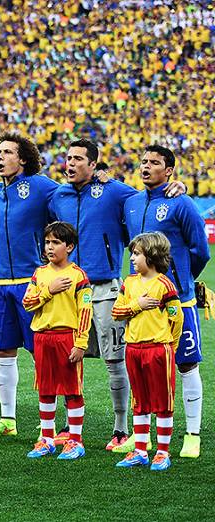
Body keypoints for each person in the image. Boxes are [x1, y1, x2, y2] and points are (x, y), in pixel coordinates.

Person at [48, 139, 186, 449]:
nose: (70, 164)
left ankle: (121, 429)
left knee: (115, 359)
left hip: (103, 288)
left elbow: (148, 196)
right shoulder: (58, 195)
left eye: (78, 159)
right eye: (68, 158)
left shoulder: (114, 191)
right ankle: (70, 427)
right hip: (69, 291)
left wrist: (178, 186)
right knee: (71, 359)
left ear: (93, 165)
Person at [122, 145, 209, 458]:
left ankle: (192, 434)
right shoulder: (131, 202)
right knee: (142, 366)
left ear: (169, 170)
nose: (146, 166)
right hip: (141, 302)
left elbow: (201, 250)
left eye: (154, 163)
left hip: (177, 302)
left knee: (186, 364)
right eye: (143, 161)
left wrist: (181, 281)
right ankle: (140, 434)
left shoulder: (181, 202)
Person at [0, 133, 59, 439]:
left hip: (31, 281)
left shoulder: (41, 186)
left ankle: (49, 420)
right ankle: (8, 420)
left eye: (8, 152)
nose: (0, 157)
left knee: (40, 352)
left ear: (22, 158)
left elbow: (70, 199)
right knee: (4, 350)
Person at [112, 232, 183, 471]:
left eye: (137, 254)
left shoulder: (164, 285)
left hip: (158, 350)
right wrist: (137, 305)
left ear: (151, 256)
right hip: (133, 349)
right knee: (139, 402)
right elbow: (117, 312)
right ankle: (140, 450)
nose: (132, 258)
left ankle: (162, 452)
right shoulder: (129, 283)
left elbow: (177, 318)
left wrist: (169, 347)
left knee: (162, 402)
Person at [21, 222, 92, 460]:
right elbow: (27, 303)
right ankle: (47, 439)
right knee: (46, 390)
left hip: (67, 337)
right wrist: (48, 291)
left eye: (56, 243)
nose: (50, 247)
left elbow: (85, 312)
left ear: (69, 246)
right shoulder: (40, 274)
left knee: (72, 390)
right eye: (47, 242)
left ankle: (75, 441)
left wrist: (81, 343)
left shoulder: (78, 276)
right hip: (42, 337)